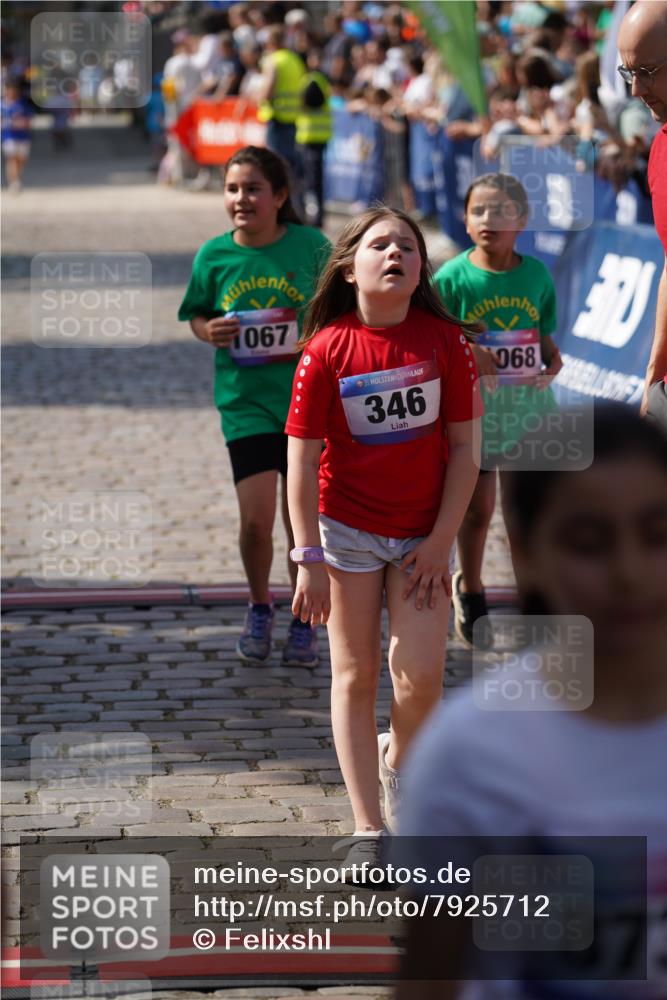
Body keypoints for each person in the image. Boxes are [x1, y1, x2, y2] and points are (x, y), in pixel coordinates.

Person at [395, 402, 667, 998]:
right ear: (527, 552)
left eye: (657, 535)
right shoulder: (466, 755)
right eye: (589, 542)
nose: (631, 572)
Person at [285, 207, 481, 863]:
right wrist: (307, 555)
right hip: (345, 535)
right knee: (355, 673)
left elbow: (464, 451)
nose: (395, 253)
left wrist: (440, 542)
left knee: (420, 678)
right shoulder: (325, 349)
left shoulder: (445, 342)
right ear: (349, 266)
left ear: (420, 268)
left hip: (424, 535)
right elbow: (301, 460)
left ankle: (398, 760)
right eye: (379, 244)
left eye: (407, 245)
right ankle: (369, 828)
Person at [178, 146, 331, 666]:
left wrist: (316, 336)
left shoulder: (311, 245)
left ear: (279, 195)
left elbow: (341, 308)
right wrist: (208, 331)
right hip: (244, 403)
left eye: (252, 189)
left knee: (300, 521)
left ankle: (303, 619)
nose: (241, 199)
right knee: (255, 521)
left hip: (307, 404)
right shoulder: (213, 256)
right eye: (232, 189)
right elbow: (197, 315)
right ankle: (259, 604)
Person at [434, 174, 562, 649]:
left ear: (523, 221)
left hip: (530, 412)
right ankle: (471, 588)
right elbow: (436, 343)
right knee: (477, 510)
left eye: (502, 211)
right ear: (465, 221)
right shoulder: (451, 279)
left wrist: (552, 361)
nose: (490, 220)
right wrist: (471, 353)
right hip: (477, 417)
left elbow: (542, 335)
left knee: (527, 513)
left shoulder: (537, 276)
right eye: (479, 211)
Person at [618, 0, 667, 431]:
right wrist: (654, 372)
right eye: (629, 73)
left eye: (648, 72)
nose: (636, 89)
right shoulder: (660, 148)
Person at [257, 25, 305, 182]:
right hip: (293, 115)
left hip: (276, 115)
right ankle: (295, 195)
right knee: (290, 160)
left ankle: (279, 197)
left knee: (275, 162)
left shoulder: (273, 60)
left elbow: (269, 89)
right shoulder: (294, 60)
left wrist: (260, 98)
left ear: (271, 42)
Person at [295, 47, 332, 228]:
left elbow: (310, 102)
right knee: (313, 179)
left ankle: (314, 216)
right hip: (314, 136)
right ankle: (314, 215)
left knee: (311, 179)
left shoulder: (313, 80)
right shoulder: (321, 80)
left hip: (311, 136)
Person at [1, 78, 32, 193]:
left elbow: (29, 120)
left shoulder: (22, 104)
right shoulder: (2, 105)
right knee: (12, 159)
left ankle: (16, 178)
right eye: (10, 90)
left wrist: (22, 123)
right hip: (8, 137)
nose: (12, 92)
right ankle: (14, 183)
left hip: (23, 137)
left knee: (21, 160)